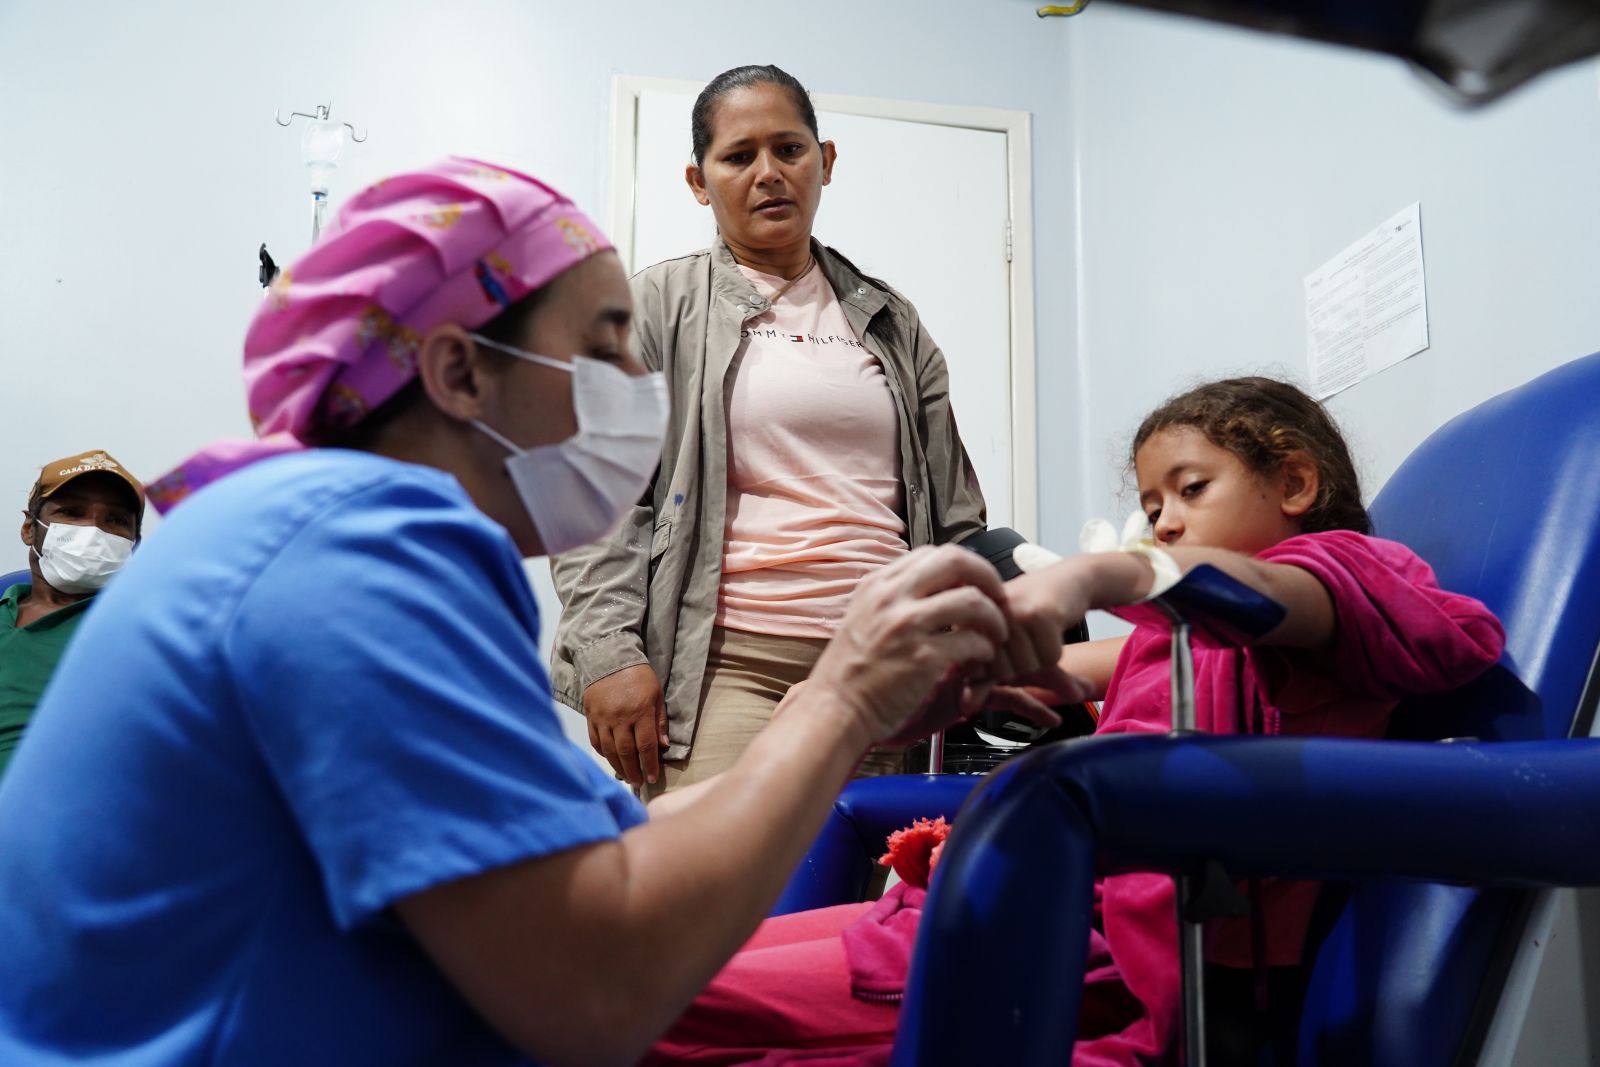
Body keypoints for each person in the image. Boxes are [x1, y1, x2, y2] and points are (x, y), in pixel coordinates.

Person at [0, 158, 1072, 1067]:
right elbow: (591, 985)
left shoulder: (315, 522)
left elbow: (599, 854)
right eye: (605, 345)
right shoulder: (354, 548)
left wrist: (858, 702)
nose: (636, 384)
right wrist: (837, 697)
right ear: (460, 368)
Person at [643, 376, 1505, 1066]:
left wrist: (1102, 577)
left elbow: (1284, 596)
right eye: (1151, 501)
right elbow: (1079, 668)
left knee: (641, 1009)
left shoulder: (1338, 576)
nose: (1163, 518)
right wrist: (910, 683)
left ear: (1295, 480)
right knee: (661, 975)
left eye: (1190, 489)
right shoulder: (1183, 637)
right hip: (1011, 910)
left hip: (1081, 953)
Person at [551, 64, 988, 796]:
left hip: (886, 665)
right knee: (713, 903)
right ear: (699, 180)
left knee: (853, 907)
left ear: (827, 161)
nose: (768, 173)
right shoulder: (654, 306)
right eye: (738, 155)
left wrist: (967, 648)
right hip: (728, 663)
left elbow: (955, 513)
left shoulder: (891, 320)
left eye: (789, 149)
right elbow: (599, 497)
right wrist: (607, 654)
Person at [1, 450, 143, 778]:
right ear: (28, 528)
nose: (93, 531)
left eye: (116, 520)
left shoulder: (139, 631)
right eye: (71, 512)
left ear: (132, 543)